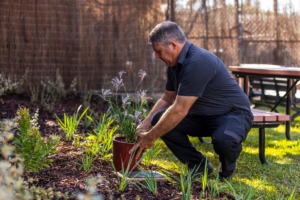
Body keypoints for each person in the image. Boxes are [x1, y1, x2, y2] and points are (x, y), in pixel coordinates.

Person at [129, 21, 253, 180]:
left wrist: (151, 137)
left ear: (173, 45)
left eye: (158, 51)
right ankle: (199, 166)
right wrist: (144, 126)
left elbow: (180, 109)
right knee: (158, 119)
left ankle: (226, 171)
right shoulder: (174, 65)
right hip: (202, 117)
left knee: (224, 139)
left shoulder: (198, 61)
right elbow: (167, 98)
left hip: (234, 114)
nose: (156, 56)